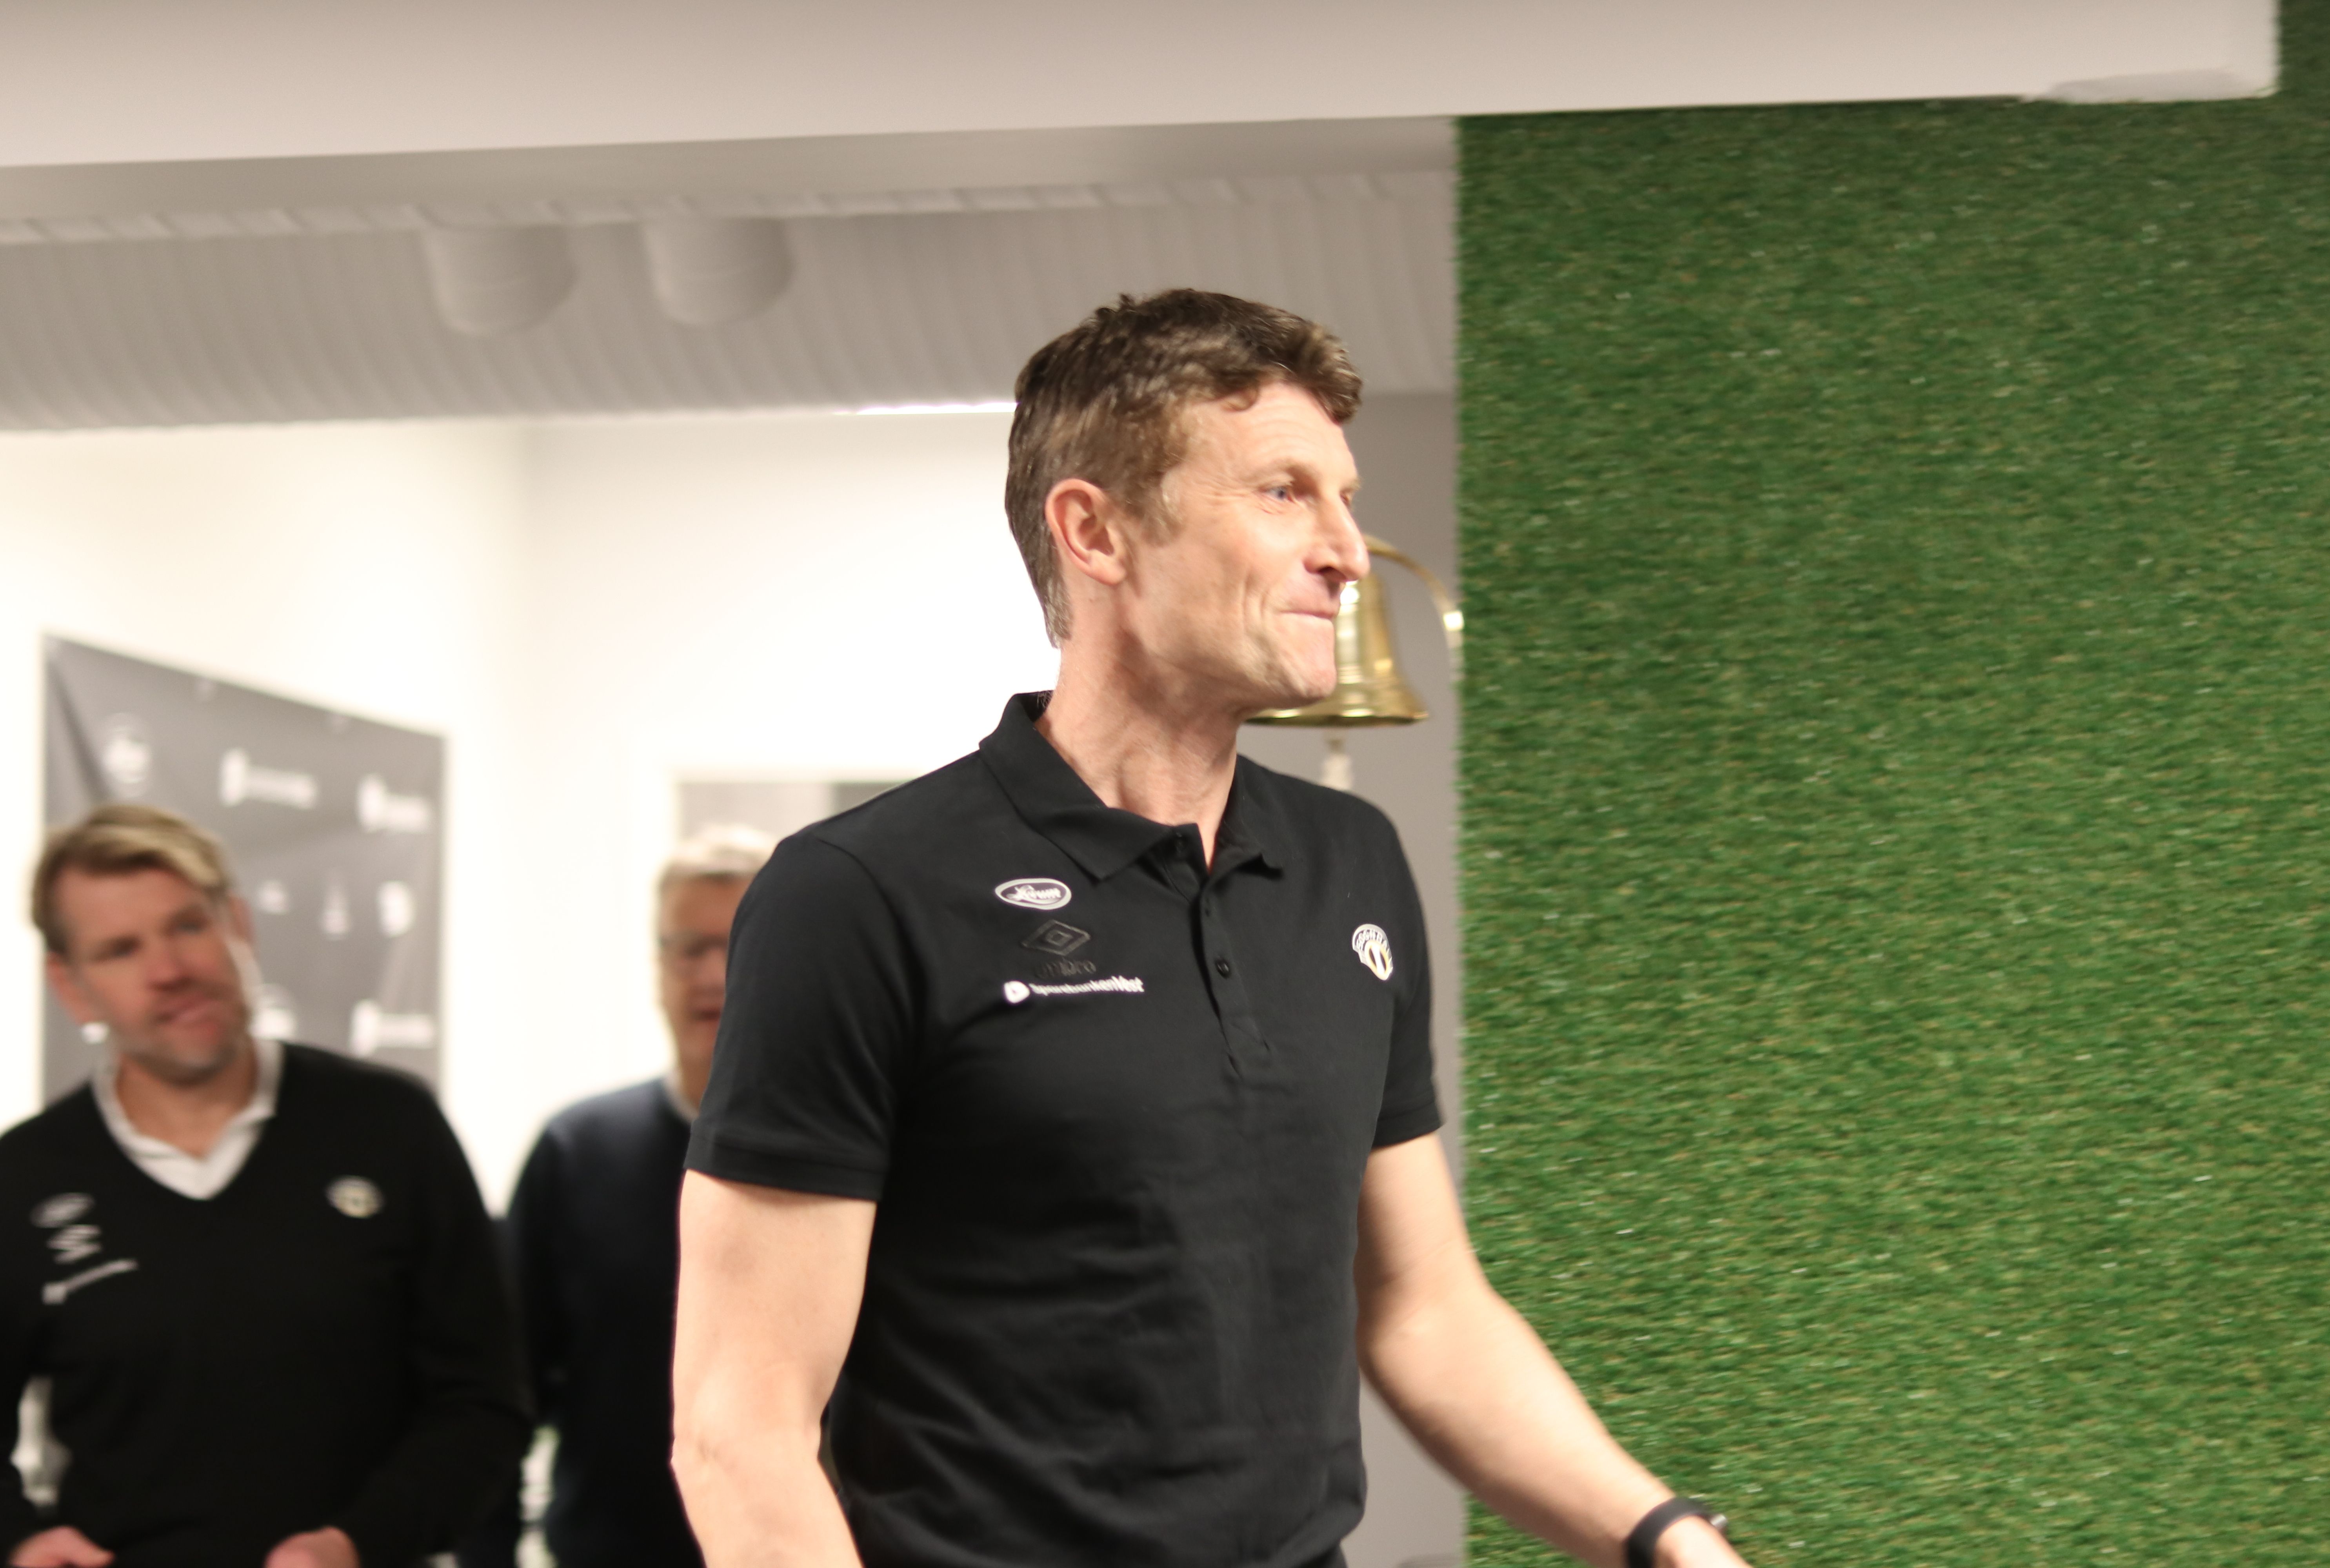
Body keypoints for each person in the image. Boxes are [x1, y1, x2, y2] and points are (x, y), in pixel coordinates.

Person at [672, 290, 1756, 1568]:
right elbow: (740, 1430)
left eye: (1344, 497)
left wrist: (1667, 1537)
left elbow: (1423, 1309)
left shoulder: (1349, 864)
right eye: (1284, 493)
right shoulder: (860, 892)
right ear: (1097, 532)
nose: (1348, 552)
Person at [0, 803, 529, 1568]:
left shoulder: (392, 1127)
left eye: (188, 925)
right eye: (120, 949)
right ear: (71, 986)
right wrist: (17, 1539)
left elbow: (484, 1404)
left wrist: (356, 1544)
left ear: (238, 926)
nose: (169, 969)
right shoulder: (22, 1177)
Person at [463, 825, 770, 1568]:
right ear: (657, 967)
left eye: (739, 945)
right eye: (688, 948)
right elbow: (502, 1391)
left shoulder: (868, 1158)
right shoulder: (578, 1151)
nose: (712, 974)